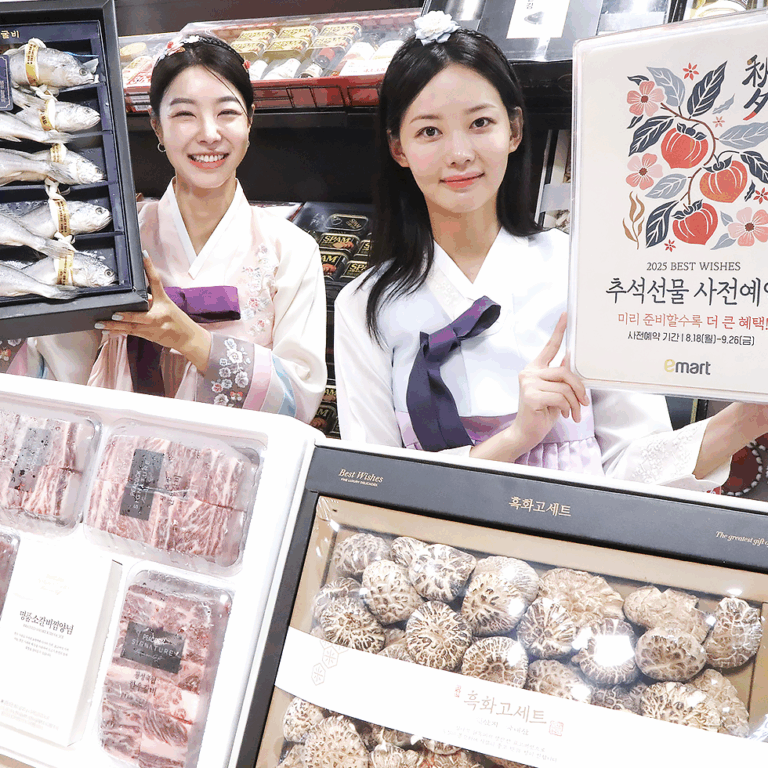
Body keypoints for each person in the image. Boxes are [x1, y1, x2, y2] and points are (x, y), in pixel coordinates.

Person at [333, 13, 768, 489]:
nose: (459, 153)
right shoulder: (364, 304)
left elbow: (633, 467)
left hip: (576, 531)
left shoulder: (581, 270)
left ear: (514, 130)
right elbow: (371, 483)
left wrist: (751, 416)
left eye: (480, 122)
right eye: (429, 131)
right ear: (398, 148)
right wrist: (516, 438)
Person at [86, 35, 326, 420]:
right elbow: (67, 372)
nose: (209, 134)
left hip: (237, 455)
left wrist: (190, 339)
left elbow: (298, 402)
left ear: (249, 121)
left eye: (227, 112)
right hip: (121, 446)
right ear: (157, 127)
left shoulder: (291, 250)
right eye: (185, 114)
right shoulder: (116, 239)